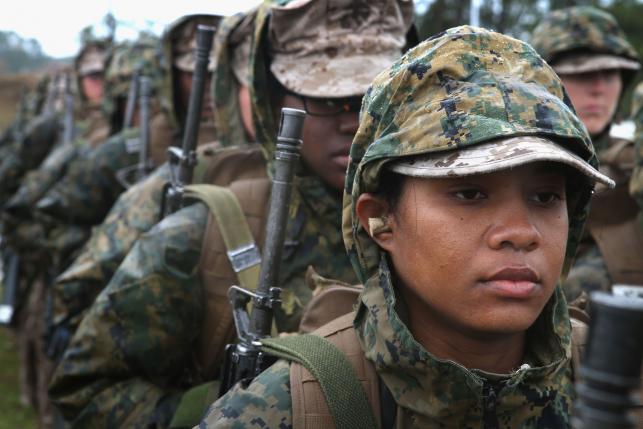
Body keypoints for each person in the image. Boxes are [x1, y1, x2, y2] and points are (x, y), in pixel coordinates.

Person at [200, 25, 614, 428]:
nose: (521, 232)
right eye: (469, 194)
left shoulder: (619, 378)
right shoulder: (283, 409)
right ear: (380, 220)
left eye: (545, 197)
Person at [49, 1, 414, 427]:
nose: (356, 123)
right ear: (272, 100)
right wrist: (237, 406)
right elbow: (86, 390)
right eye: (328, 99)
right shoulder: (199, 236)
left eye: (378, 97)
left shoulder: (437, 221)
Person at [531, 6, 643, 301]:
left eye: (609, 74)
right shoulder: (506, 155)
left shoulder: (633, 149)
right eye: (581, 74)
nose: (599, 89)